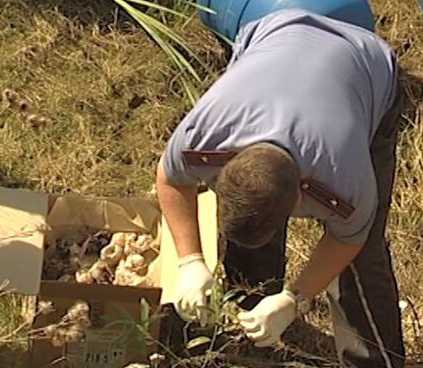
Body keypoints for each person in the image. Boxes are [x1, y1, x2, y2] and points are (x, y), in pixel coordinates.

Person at [156, 8, 405, 368]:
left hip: (364, 61)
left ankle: (372, 360)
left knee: (362, 259)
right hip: (274, 33)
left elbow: (349, 238)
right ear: (222, 168)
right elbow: (170, 177)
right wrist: (191, 261)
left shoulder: (344, 177)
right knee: (249, 226)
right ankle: (251, 316)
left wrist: (295, 298)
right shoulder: (205, 134)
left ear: (300, 199)